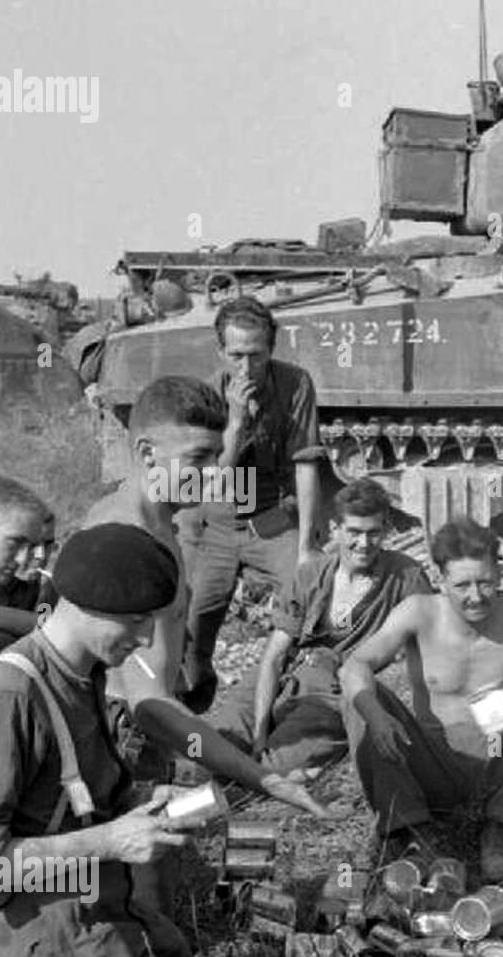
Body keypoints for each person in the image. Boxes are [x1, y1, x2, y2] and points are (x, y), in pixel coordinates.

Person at [0, 524, 241, 957]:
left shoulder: (82, 674)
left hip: (96, 904)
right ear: (84, 607)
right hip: (46, 927)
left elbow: (72, 798)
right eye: (135, 622)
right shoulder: (14, 695)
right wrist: (110, 840)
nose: (147, 637)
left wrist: (139, 805)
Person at [81, 374, 327, 820]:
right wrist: (260, 778)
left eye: (216, 455)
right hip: (123, 741)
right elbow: (148, 700)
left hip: (140, 731)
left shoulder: (162, 521)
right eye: (198, 457)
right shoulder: (131, 542)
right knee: (145, 879)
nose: (216, 472)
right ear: (146, 453)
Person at [338, 517, 503, 880]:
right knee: (361, 698)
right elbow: (355, 665)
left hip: (498, 760)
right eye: (462, 585)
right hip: (428, 762)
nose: (475, 596)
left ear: (500, 575)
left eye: (486, 583)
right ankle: (410, 831)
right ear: (440, 578)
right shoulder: (419, 611)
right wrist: (378, 717)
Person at [212, 476, 430, 774]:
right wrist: (260, 731)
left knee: (273, 767)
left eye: (374, 533)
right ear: (335, 529)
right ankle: (172, 801)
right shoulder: (310, 575)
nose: (363, 544)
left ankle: (224, 800)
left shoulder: (406, 577)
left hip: (335, 692)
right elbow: (275, 656)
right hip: (288, 671)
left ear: (385, 532)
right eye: (354, 532)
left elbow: (428, 651)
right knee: (215, 742)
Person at [177, 295, 328, 713]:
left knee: (311, 600)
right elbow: (207, 481)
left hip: (271, 518)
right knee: (190, 627)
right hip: (215, 521)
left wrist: (306, 550)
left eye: (256, 356)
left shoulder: (295, 384)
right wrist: (237, 421)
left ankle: (285, 703)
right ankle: (192, 718)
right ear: (220, 351)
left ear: (271, 349)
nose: (246, 368)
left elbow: (306, 464)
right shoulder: (206, 395)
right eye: (236, 356)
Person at [0, 476, 55, 651]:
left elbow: (46, 625)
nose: (39, 555)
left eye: (47, 545)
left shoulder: (46, 586)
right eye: (15, 543)